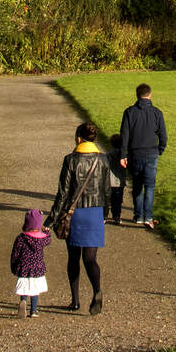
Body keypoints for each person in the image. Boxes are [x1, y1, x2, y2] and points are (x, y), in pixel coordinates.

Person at [49, 122, 110, 313]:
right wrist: (105, 214)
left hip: (74, 213)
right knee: (90, 258)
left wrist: (52, 218)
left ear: (78, 138)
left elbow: (63, 193)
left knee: (73, 258)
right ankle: (97, 290)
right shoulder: (103, 160)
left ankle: (75, 300)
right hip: (95, 211)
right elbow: (107, 190)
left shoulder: (71, 160)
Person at [118, 82, 167, 227]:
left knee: (137, 185)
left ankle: (138, 215)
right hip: (151, 153)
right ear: (150, 95)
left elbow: (124, 135)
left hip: (135, 153)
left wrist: (123, 155)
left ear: (137, 95)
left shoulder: (129, 112)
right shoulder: (157, 113)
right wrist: (160, 150)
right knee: (150, 186)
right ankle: (148, 217)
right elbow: (163, 136)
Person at [8, 209, 51, 318]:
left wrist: (14, 265)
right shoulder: (41, 239)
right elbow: (48, 240)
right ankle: (33, 310)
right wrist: (47, 232)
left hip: (24, 267)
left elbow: (15, 254)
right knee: (35, 289)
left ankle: (23, 301)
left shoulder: (21, 238)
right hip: (37, 267)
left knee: (24, 287)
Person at [105, 132, 127, 225]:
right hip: (119, 181)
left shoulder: (108, 154)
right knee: (117, 201)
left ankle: (104, 216)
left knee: (107, 200)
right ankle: (116, 216)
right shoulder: (123, 155)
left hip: (109, 180)